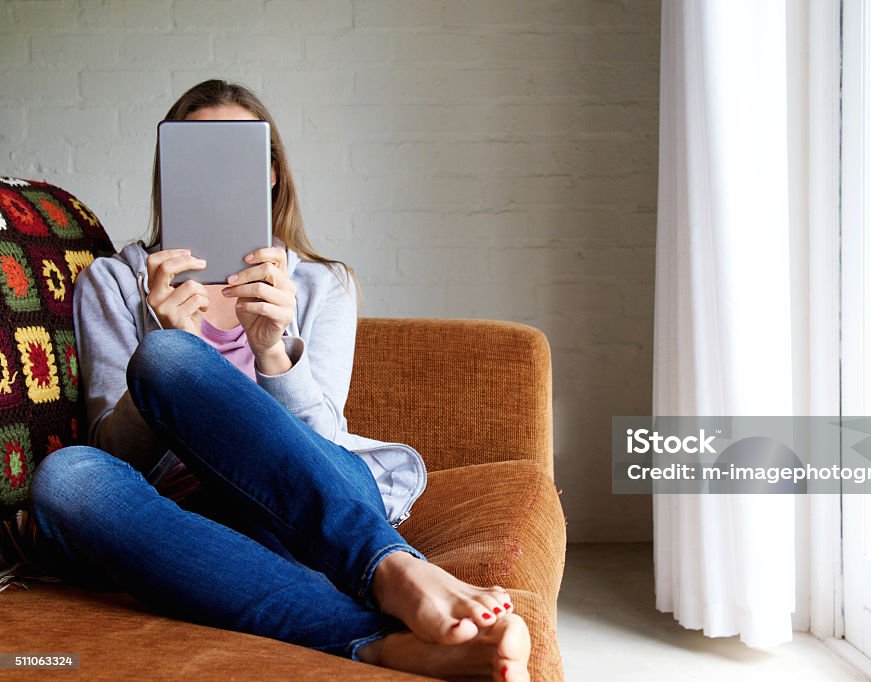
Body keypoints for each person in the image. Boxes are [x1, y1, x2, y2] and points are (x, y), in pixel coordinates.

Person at [28, 80, 530, 681]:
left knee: (168, 359)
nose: (215, 171)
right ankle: (384, 642)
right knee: (69, 476)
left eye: (236, 153)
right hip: (190, 518)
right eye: (195, 155)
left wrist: (272, 352)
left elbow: (320, 439)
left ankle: (395, 569)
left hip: (305, 502)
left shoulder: (321, 285)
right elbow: (114, 450)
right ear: (169, 172)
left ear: (269, 172)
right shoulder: (113, 281)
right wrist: (169, 339)